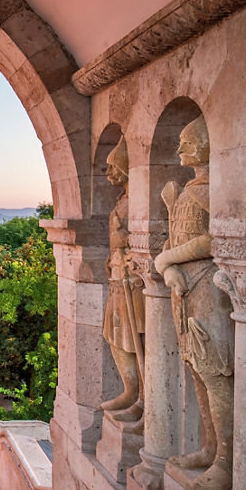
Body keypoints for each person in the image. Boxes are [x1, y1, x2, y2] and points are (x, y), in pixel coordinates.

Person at [153, 116, 234, 490]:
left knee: (215, 372)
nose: (180, 149)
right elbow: (175, 238)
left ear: (208, 144)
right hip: (184, 291)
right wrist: (169, 268)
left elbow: (214, 239)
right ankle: (209, 448)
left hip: (209, 291)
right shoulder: (188, 190)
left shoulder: (214, 189)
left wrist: (168, 259)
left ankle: (227, 461)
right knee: (197, 370)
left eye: (188, 142)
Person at [99, 136, 144, 430]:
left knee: (137, 339)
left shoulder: (141, 200)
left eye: (113, 167)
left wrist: (126, 242)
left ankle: (143, 400)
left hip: (133, 280)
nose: (109, 173)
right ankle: (130, 391)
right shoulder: (122, 201)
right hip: (117, 275)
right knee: (115, 335)